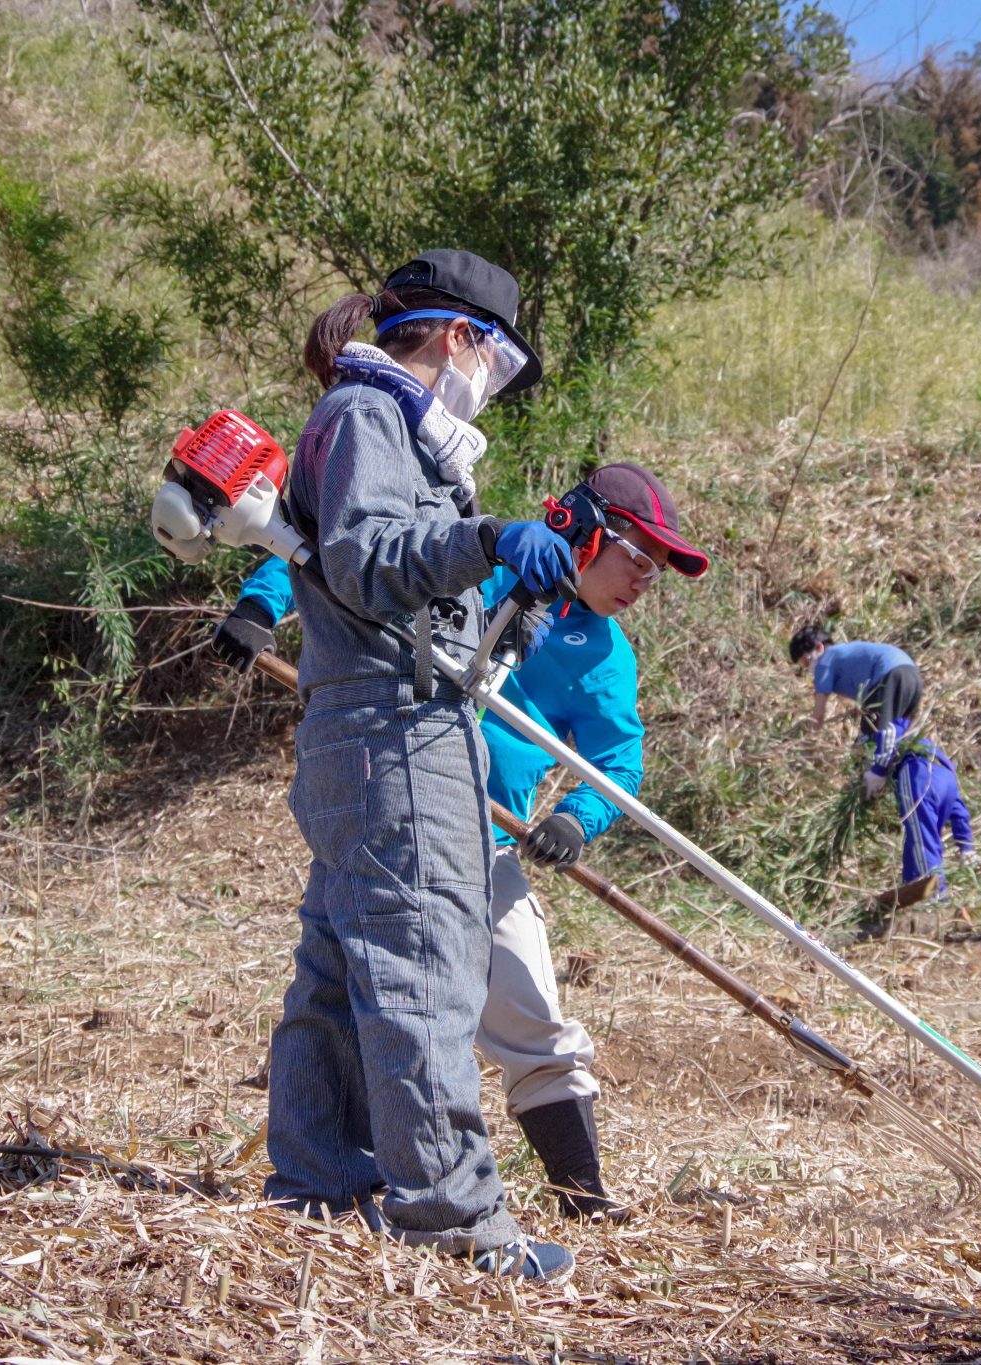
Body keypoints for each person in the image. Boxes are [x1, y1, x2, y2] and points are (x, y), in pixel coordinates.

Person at [215, 250, 581, 1280]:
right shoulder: (369, 416)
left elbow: (398, 577)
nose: (492, 387)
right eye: (497, 363)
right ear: (461, 337)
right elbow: (371, 561)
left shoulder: (379, 425)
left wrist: (504, 586)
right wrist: (486, 537)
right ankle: (452, 1217)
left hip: (377, 727)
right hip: (395, 730)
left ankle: (319, 1184)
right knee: (425, 963)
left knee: (341, 968)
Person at [217, 463, 711, 1220]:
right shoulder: (482, 556)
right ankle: (328, 1187)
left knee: (529, 1011)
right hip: (388, 809)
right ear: (585, 531)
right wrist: (260, 605)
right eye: (639, 556)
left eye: (659, 569)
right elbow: (346, 558)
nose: (646, 579)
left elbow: (618, 761)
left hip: (485, 846)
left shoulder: (605, 655)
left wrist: (575, 819)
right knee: (346, 998)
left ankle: (583, 1196)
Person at [789, 627, 974, 892]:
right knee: (885, 737)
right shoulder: (850, 655)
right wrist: (966, 846)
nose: (808, 669)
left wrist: (806, 752)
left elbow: (818, 715)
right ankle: (876, 783)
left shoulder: (826, 660)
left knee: (871, 743)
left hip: (889, 678)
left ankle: (870, 788)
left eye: (806, 662)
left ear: (818, 648)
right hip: (912, 677)